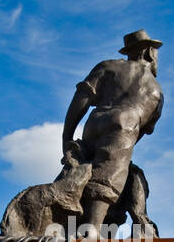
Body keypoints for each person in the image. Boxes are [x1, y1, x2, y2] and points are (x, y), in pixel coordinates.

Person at [61, 29, 164, 231]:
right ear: (148, 52)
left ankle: (71, 223)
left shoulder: (107, 66)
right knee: (110, 171)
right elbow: (139, 132)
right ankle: (92, 228)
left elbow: (81, 99)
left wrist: (67, 136)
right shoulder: (156, 91)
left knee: (83, 165)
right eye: (156, 51)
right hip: (126, 124)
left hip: (95, 121)